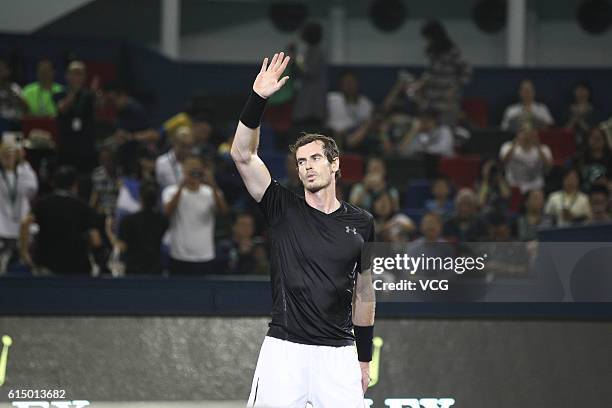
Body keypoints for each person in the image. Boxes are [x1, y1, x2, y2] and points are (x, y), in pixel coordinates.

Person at [231, 52, 375, 407]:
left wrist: (364, 357)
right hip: (284, 352)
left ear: (335, 164)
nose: (307, 167)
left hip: (339, 356)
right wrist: (258, 99)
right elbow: (242, 155)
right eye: (300, 162)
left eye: (315, 159)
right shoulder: (281, 207)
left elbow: (365, 295)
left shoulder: (363, 223)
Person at [19, 166, 102, 275]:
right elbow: (95, 239)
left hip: (46, 263)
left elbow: (25, 223)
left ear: (53, 183)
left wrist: (24, 253)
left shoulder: (42, 203)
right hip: (76, 266)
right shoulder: (82, 206)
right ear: (74, 185)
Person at [162, 155, 228, 276]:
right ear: (183, 169)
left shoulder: (211, 193)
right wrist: (182, 185)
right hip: (179, 255)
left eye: (196, 168)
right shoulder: (171, 191)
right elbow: (167, 212)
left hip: (205, 256)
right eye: (190, 168)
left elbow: (223, 212)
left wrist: (212, 183)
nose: (193, 171)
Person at [416, 20, 471, 126]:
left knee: (446, 130)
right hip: (431, 100)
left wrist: (455, 87)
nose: (428, 40)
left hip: (447, 100)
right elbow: (430, 74)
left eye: (429, 37)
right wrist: (420, 83)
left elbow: (466, 70)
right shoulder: (431, 52)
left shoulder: (452, 50)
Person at [111, 181, 169, 275]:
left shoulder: (128, 221)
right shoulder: (163, 221)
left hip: (133, 271)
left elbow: (121, 246)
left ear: (140, 198)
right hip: (155, 270)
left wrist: (109, 232)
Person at [0, 143, 37, 273]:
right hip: (2, 227)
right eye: (5, 155)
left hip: (21, 227)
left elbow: (32, 190)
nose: (8, 158)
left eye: (11, 155)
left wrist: (23, 162)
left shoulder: (23, 172)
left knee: (24, 264)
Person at [54, 61, 97, 174]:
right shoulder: (59, 94)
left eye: (80, 74)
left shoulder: (89, 96)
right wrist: (74, 92)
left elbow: (99, 108)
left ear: (84, 77)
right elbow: (62, 108)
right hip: (66, 145)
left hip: (85, 147)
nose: (76, 77)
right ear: (67, 76)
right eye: (73, 73)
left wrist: (95, 96)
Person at [292, 22, 328, 131]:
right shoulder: (311, 50)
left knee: (311, 129)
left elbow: (309, 71)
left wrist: (296, 59)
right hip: (308, 98)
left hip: (312, 101)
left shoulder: (316, 51)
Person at [500, 121, 553, 194]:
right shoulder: (507, 146)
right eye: (524, 132)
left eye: (530, 133)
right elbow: (503, 163)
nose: (527, 136)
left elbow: (548, 169)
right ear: (518, 133)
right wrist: (515, 143)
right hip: (514, 187)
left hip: (536, 187)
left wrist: (538, 146)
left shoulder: (544, 149)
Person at [326, 70, 374, 138]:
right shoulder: (331, 98)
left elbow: (368, 124)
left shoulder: (366, 103)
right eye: (346, 82)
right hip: (331, 135)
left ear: (358, 84)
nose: (349, 85)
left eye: (352, 82)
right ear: (340, 85)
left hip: (354, 136)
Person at [155, 125, 195, 190]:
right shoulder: (162, 162)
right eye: (183, 146)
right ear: (174, 142)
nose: (186, 150)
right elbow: (160, 187)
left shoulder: (196, 162)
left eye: (190, 146)